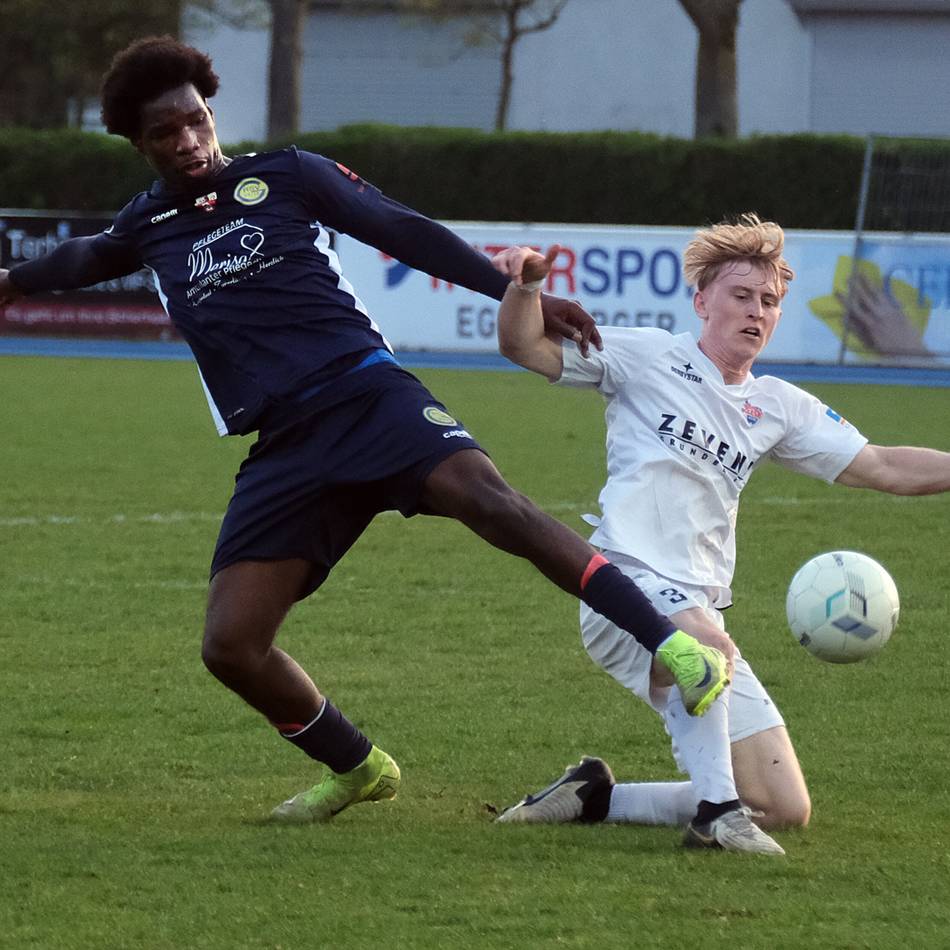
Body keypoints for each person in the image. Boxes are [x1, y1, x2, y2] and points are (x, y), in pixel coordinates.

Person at [0, 37, 729, 824]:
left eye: (197, 120)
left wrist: (511, 293)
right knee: (231, 645)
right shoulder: (147, 225)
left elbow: (399, 228)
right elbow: (83, 256)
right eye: (166, 134)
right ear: (138, 144)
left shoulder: (284, 174)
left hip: (367, 395)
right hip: (286, 445)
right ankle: (357, 766)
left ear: (211, 114)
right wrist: (12, 282)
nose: (188, 141)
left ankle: (673, 646)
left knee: (496, 505)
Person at [490, 216, 950, 854]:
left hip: (698, 601)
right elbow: (525, 347)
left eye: (770, 302)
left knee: (785, 805)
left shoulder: (778, 406)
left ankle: (597, 797)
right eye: (741, 295)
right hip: (622, 586)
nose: (756, 311)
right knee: (708, 651)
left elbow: (883, 466)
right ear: (702, 301)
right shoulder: (649, 356)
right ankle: (716, 819)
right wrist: (526, 289)